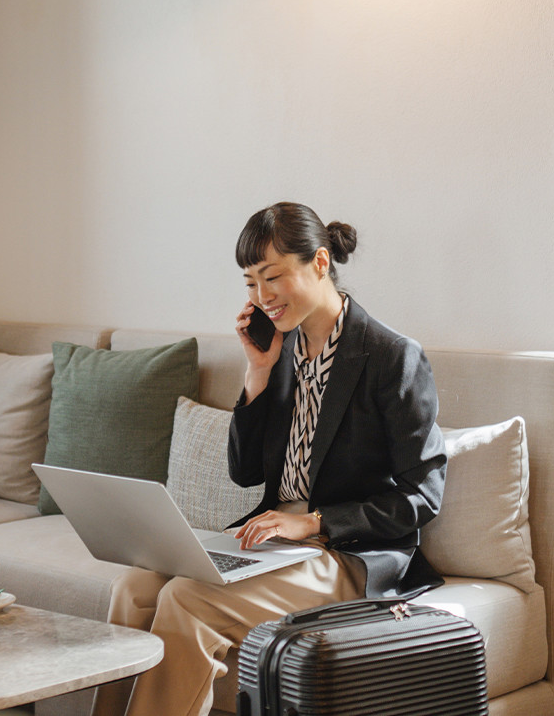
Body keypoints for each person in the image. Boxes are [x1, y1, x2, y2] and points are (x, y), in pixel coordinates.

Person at [107, 201, 447, 716]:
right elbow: (244, 473)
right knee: (133, 586)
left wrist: (311, 523)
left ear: (320, 262)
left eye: (272, 277)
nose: (262, 297)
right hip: (271, 542)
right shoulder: (281, 350)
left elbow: (423, 496)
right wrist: (257, 374)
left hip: (346, 554)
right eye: (249, 283)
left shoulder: (391, 356)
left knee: (186, 598)